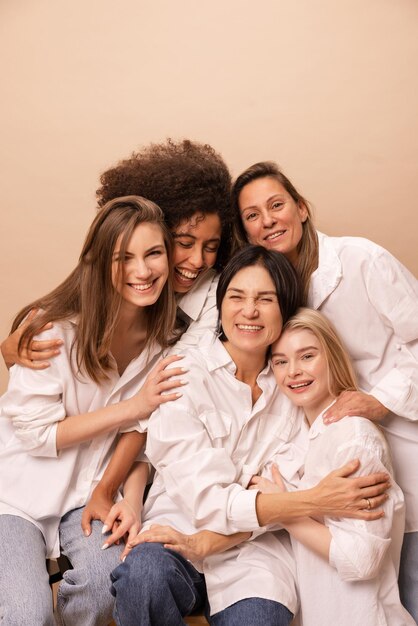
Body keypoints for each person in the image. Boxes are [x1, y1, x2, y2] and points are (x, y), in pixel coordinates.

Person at [110, 246, 390, 626]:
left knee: (259, 617)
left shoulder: (296, 387)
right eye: (236, 297)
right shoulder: (181, 376)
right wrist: (313, 500)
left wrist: (278, 508)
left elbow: (281, 495)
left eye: (265, 299)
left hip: (255, 552)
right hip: (177, 531)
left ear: (285, 308)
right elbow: (207, 502)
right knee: (143, 577)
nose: (249, 311)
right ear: (221, 305)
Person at [0, 138, 233, 537]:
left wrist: (117, 490)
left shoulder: (200, 311)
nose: (196, 261)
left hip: (132, 468)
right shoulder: (75, 314)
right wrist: (11, 347)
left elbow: (152, 411)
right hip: (34, 484)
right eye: (184, 244)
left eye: (210, 247)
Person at [231, 161, 418, 621]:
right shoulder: (273, 292)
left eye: (276, 205)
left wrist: (379, 401)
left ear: (302, 208)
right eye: (252, 215)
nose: (268, 220)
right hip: (333, 454)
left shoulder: (361, 260)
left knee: (405, 586)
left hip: (398, 441)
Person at [0, 196, 185, 626]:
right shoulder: (52, 330)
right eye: (125, 258)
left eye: (154, 253)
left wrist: (124, 496)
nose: (144, 271)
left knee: (104, 590)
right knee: (25, 616)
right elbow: (36, 435)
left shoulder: (171, 340)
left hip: (91, 495)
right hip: (14, 498)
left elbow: (148, 432)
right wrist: (133, 406)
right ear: (100, 262)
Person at [262, 308, 415, 625]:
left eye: (307, 356)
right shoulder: (301, 439)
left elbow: (362, 559)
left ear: (331, 356)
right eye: (280, 361)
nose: (293, 371)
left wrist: (283, 510)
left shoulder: (354, 437)